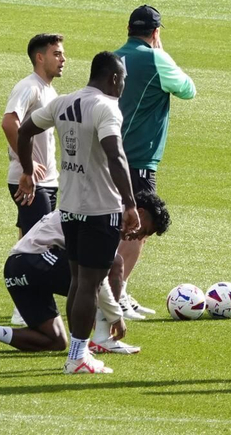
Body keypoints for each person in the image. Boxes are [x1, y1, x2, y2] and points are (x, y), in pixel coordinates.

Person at [15, 51, 143, 375]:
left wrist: (27, 170)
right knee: (90, 283)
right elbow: (116, 156)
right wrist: (129, 203)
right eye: (124, 80)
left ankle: (77, 353)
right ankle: (77, 357)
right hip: (100, 209)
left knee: (78, 280)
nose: (123, 86)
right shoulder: (106, 107)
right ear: (114, 78)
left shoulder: (62, 102)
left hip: (69, 208)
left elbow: (24, 131)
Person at [0, 191, 171, 357]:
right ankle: (101, 339)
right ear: (139, 212)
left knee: (55, 340)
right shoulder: (108, 215)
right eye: (144, 230)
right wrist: (115, 316)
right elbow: (97, 279)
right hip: (34, 260)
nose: (139, 237)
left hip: (15, 269)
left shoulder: (101, 207)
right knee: (112, 264)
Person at [113, 5, 197, 319]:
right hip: (138, 157)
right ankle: (116, 295)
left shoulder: (112, 57)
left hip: (107, 156)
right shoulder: (155, 58)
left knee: (113, 226)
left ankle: (115, 292)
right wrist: (162, 53)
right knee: (139, 227)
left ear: (128, 29)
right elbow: (188, 90)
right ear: (156, 32)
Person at [3, 33, 64, 233]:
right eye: (56, 54)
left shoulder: (49, 91)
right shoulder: (29, 87)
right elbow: (9, 123)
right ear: (40, 57)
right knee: (41, 242)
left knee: (28, 242)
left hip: (46, 180)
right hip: (30, 179)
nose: (63, 60)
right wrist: (28, 164)